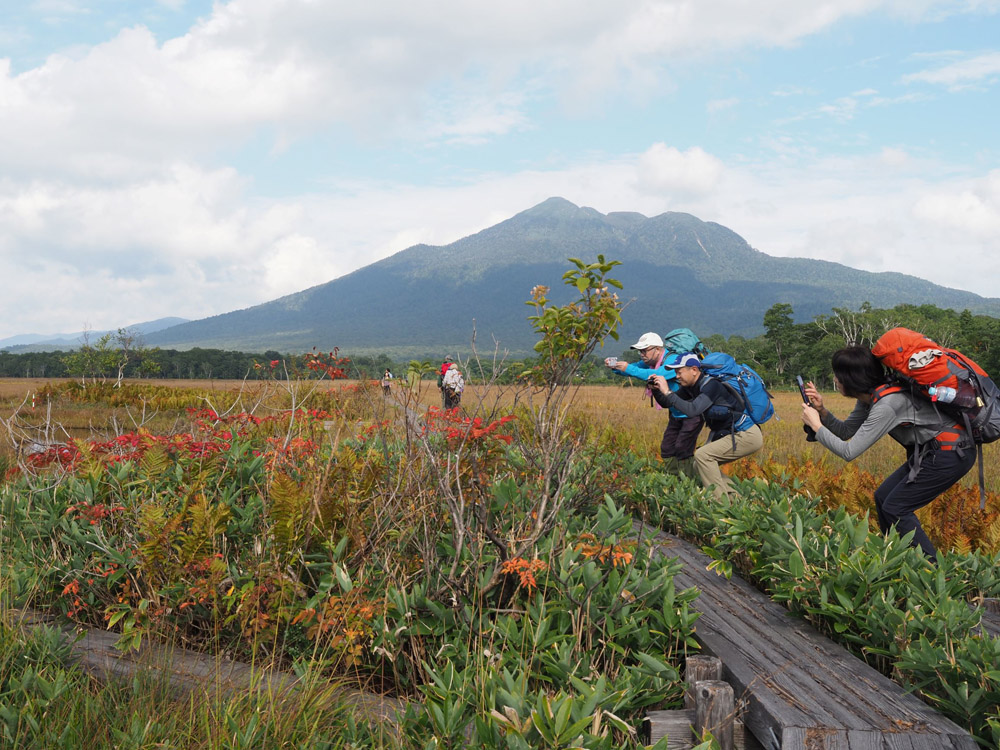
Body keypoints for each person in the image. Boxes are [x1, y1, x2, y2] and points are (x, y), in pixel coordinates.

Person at [801, 346, 975, 563]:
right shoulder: (870, 397)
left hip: (951, 454)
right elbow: (846, 432)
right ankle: (896, 559)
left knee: (897, 507)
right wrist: (822, 412)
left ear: (850, 378)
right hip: (931, 452)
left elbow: (849, 452)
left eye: (837, 375)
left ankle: (934, 571)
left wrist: (817, 428)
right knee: (883, 497)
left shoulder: (887, 404)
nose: (835, 379)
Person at [649, 352, 763, 500]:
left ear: (694, 370)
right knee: (698, 465)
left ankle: (720, 504)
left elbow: (693, 410)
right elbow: (667, 403)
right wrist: (656, 389)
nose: (676, 376)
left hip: (746, 435)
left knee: (703, 456)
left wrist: (667, 391)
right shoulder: (691, 387)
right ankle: (737, 498)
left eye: (679, 371)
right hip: (730, 434)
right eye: (675, 372)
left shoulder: (711, 385)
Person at [605, 332, 704, 475]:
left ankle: (691, 482)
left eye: (645, 350)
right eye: (640, 351)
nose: (642, 354)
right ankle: (675, 479)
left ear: (658, 349)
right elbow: (633, 370)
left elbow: (654, 375)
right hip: (676, 412)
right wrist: (615, 367)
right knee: (668, 448)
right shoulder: (651, 364)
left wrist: (627, 367)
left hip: (691, 412)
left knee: (683, 449)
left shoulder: (674, 361)